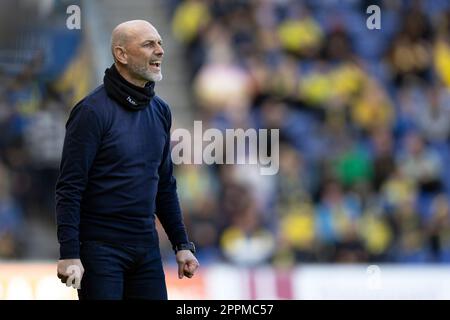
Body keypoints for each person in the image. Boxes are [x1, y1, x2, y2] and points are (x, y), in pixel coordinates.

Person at [55, 20, 199, 300]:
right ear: (121, 54)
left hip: (146, 249)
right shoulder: (91, 112)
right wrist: (69, 253)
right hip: (99, 250)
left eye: (160, 43)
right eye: (148, 44)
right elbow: (69, 188)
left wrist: (182, 244)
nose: (159, 51)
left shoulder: (160, 111)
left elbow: (165, 185)